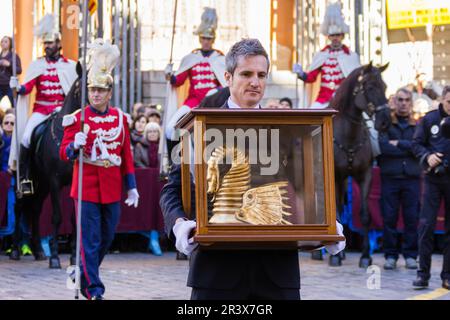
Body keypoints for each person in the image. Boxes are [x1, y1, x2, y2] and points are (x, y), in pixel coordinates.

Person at [160, 38, 345, 300]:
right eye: (246, 74)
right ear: (227, 76)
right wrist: (180, 226)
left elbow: (307, 185)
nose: (255, 82)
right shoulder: (199, 129)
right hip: (216, 273)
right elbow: (172, 191)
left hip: (277, 274)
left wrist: (327, 224)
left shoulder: (290, 130)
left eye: (261, 75)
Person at [60, 39, 139, 300]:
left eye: (100, 91)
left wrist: (132, 186)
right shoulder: (78, 117)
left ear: (109, 93)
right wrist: (74, 145)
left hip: (112, 187)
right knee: (90, 241)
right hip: (86, 187)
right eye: (92, 90)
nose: (95, 94)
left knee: (106, 238)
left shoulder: (120, 118)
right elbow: (64, 151)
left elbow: (126, 155)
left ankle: (82, 272)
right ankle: (94, 290)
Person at [9, 14, 77, 195]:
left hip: (62, 111)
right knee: (25, 137)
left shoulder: (70, 66)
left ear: (59, 44)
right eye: (45, 43)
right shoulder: (37, 65)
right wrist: (18, 87)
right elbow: (28, 88)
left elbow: (73, 92)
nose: (47, 46)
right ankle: (25, 178)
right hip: (41, 109)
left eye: (51, 43)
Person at [164, 7, 226, 155]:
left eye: (209, 39)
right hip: (192, 103)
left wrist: (215, 92)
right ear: (200, 38)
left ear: (213, 40)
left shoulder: (220, 58)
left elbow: (225, 84)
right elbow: (178, 81)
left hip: (212, 104)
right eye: (204, 38)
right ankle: (175, 165)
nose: (206, 41)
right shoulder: (190, 58)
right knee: (170, 128)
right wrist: (169, 75)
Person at [412, 85, 450, 290]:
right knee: (426, 226)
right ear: (442, 100)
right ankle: (422, 274)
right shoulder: (429, 119)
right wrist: (428, 156)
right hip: (433, 179)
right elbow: (416, 144)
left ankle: (448, 276)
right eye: (449, 102)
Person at [378, 88, 420, 270]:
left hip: (411, 178)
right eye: (400, 100)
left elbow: (419, 148)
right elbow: (384, 147)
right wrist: (408, 148)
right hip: (390, 178)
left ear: (411, 103)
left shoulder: (418, 125)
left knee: (412, 218)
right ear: (395, 102)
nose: (403, 103)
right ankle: (391, 255)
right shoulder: (386, 124)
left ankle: (411, 255)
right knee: (389, 218)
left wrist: (400, 144)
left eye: (407, 100)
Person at [292, 2, 360, 109]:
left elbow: (356, 80)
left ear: (342, 36)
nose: (335, 38)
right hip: (323, 99)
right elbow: (311, 77)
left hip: (344, 98)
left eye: (337, 35)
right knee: (312, 115)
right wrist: (301, 73)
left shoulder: (351, 56)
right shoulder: (322, 55)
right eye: (332, 35)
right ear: (328, 37)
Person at [0, 36, 22, 107]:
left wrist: (9, 65)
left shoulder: (14, 56)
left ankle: (15, 118)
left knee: (14, 105)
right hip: (0, 84)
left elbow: (19, 70)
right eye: (2, 41)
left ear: (10, 44)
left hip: (10, 85)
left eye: (6, 41)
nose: (3, 43)